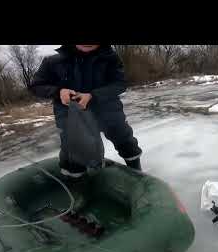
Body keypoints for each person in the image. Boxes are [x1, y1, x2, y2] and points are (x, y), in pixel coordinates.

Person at [29, 44, 142, 178]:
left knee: (125, 141)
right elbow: (35, 86)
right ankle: (78, 184)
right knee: (73, 155)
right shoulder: (53, 61)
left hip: (108, 112)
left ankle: (138, 174)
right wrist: (58, 91)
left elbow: (120, 84)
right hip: (70, 116)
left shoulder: (110, 57)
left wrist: (93, 96)